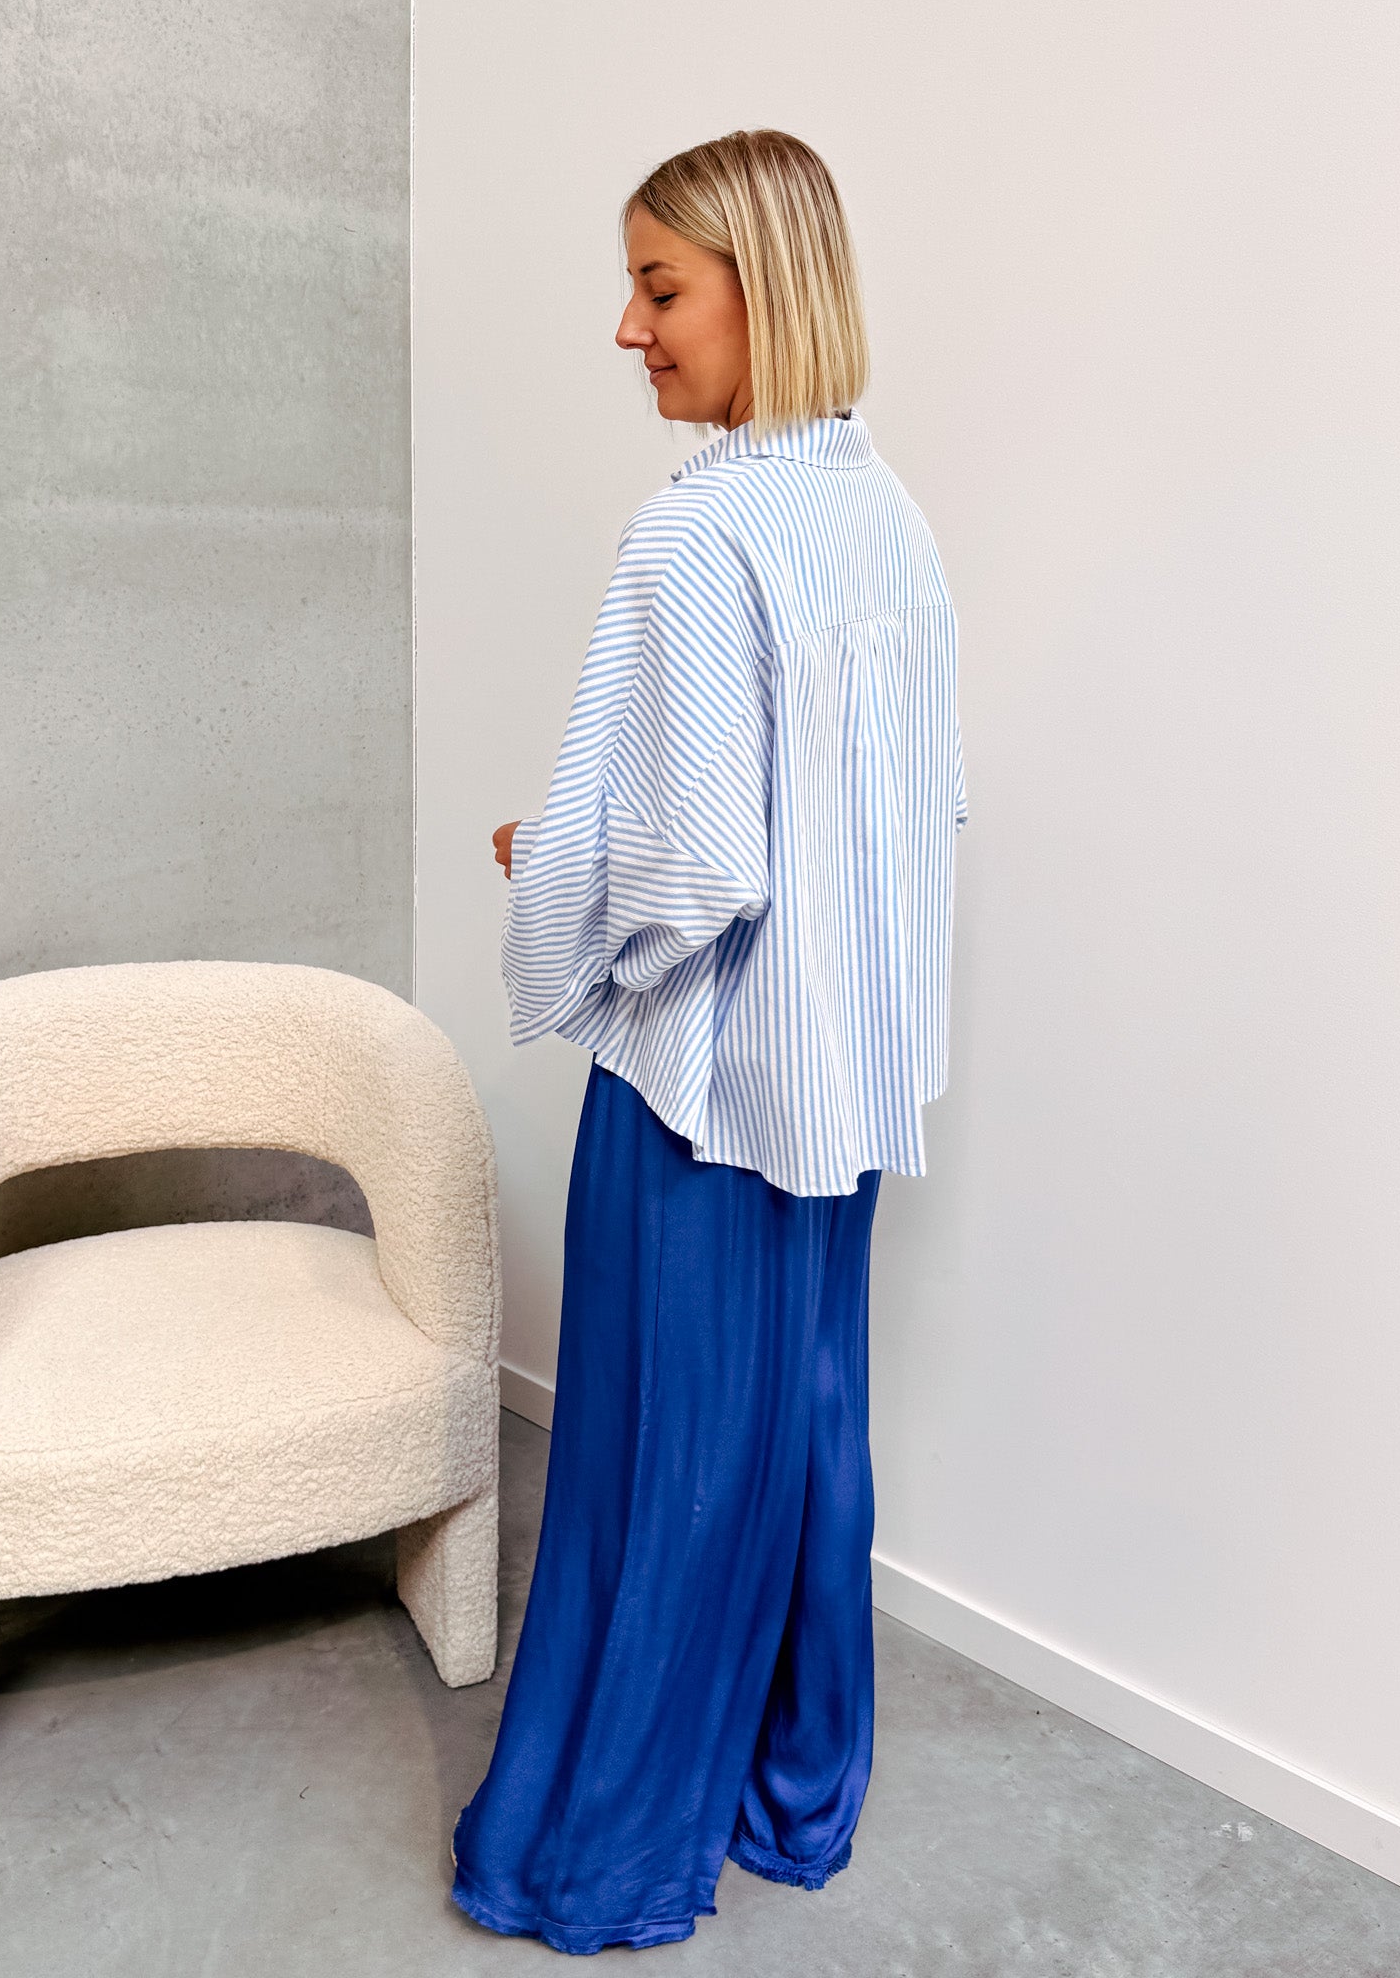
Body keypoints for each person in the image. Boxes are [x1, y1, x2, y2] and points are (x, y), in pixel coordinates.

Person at [450, 128, 968, 1955]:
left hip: (705, 1086)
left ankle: (596, 1855)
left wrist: (551, 856)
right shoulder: (885, 516)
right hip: (839, 1083)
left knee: (653, 1461)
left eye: (658, 288)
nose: (627, 330)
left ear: (764, 288)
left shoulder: (696, 529)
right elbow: (911, 811)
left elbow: (696, 864)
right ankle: (796, 1803)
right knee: (806, 1433)